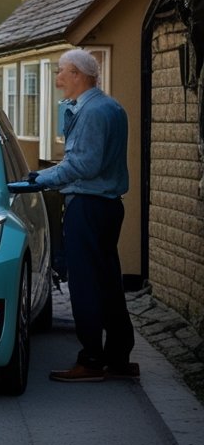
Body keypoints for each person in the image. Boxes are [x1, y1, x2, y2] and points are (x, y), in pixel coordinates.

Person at [35, 49, 135, 382]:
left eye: (61, 71)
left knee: (86, 285)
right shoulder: (110, 107)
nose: (58, 78)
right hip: (107, 206)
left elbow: (83, 165)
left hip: (88, 207)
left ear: (78, 73)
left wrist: (39, 180)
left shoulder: (92, 112)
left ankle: (91, 361)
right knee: (107, 282)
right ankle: (119, 359)